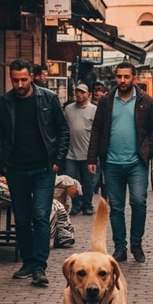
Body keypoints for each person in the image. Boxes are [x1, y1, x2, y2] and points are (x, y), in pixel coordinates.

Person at [0, 59, 70, 286]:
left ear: (32, 77)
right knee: (23, 219)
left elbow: (63, 130)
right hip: (15, 169)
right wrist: (3, 162)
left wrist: (57, 161)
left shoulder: (48, 98)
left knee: (40, 215)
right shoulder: (4, 102)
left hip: (43, 169)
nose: (19, 84)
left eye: (23, 79)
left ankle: (39, 267)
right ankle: (27, 261)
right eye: (15, 80)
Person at [87, 61, 153, 263]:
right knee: (116, 206)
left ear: (134, 78)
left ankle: (136, 244)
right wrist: (92, 157)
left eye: (126, 77)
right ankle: (120, 247)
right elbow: (97, 130)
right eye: (119, 76)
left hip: (137, 162)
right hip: (111, 162)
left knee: (138, 202)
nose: (122, 80)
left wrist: (149, 150)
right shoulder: (107, 100)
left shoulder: (146, 101)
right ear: (115, 77)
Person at [64, 84, 97, 216]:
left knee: (87, 182)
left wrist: (94, 154)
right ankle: (76, 204)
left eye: (82, 93)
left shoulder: (94, 109)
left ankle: (87, 205)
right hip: (70, 154)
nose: (79, 95)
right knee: (71, 182)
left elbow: (97, 132)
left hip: (87, 154)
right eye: (77, 92)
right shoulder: (68, 109)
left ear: (88, 94)